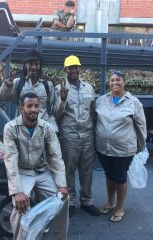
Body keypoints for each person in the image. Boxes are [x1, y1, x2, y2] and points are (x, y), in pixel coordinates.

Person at [3, 92, 69, 240]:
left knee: (63, 200)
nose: (33, 109)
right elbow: (10, 159)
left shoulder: (47, 127)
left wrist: (61, 185)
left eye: (36, 106)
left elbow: (55, 156)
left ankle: (60, 237)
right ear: (21, 108)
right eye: (29, 106)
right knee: (20, 206)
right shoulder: (11, 128)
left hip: (41, 171)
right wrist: (17, 191)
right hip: (22, 172)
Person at [95, 70, 147, 222]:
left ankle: (120, 206)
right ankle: (110, 201)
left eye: (118, 80)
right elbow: (95, 120)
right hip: (103, 148)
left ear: (124, 82)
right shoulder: (101, 100)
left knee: (120, 177)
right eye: (112, 80)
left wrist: (140, 146)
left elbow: (141, 125)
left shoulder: (133, 102)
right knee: (109, 175)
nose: (114, 83)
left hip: (123, 150)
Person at [55, 55, 100, 217]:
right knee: (69, 170)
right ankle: (70, 201)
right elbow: (56, 114)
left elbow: (93, 112)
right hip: (69, 135)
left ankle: (87, 201)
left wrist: (95, 134)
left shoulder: (89, 88)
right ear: (65, 69)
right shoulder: (59, 88)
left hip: (87, 135)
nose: (73, 70)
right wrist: (62, 98)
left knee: (87, 170)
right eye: (70, 67)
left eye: (76, 67)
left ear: (79, 68)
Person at [0, 49, 58, 131]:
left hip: (43, 132)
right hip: (22, 132)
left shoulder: (48, 85)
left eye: (37, 64)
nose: (34, 67)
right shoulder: (17, 83)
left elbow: (53, 109)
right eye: (30, 64)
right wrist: (6, 86)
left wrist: (52, 127)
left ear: (40, 66)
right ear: (25, 65)